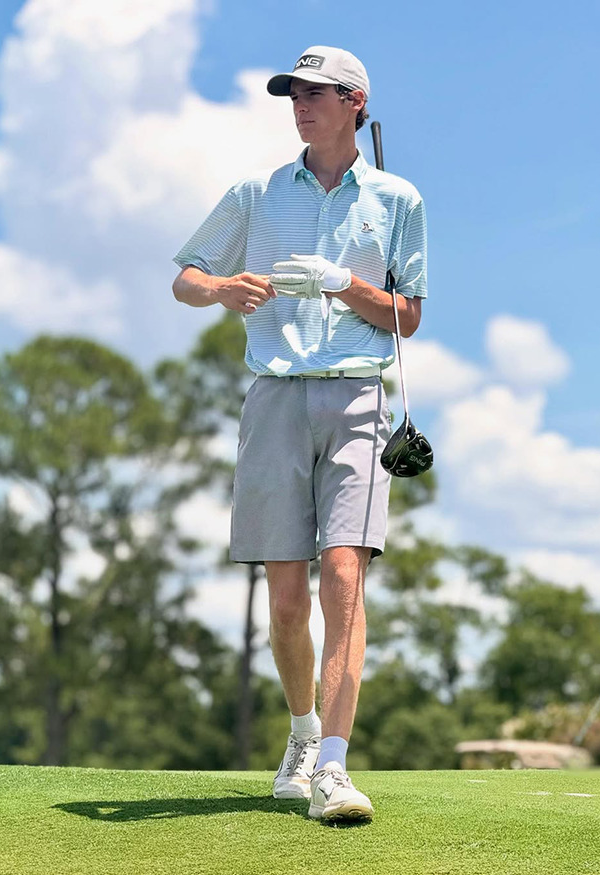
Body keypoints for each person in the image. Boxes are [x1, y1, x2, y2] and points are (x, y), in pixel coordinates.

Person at [172, 45, 427, 821]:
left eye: (316, 93)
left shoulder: (397, 199)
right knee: (286, 599)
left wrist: (345, 283)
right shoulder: (255, 192)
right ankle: (303, 735)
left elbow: (407, 315)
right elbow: (185, 275)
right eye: (294, 93)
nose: (300, 104)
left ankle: (337, 770)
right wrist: (222, 287)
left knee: (343, 574)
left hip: (356, 397)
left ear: (355, 102)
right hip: (274, 398)